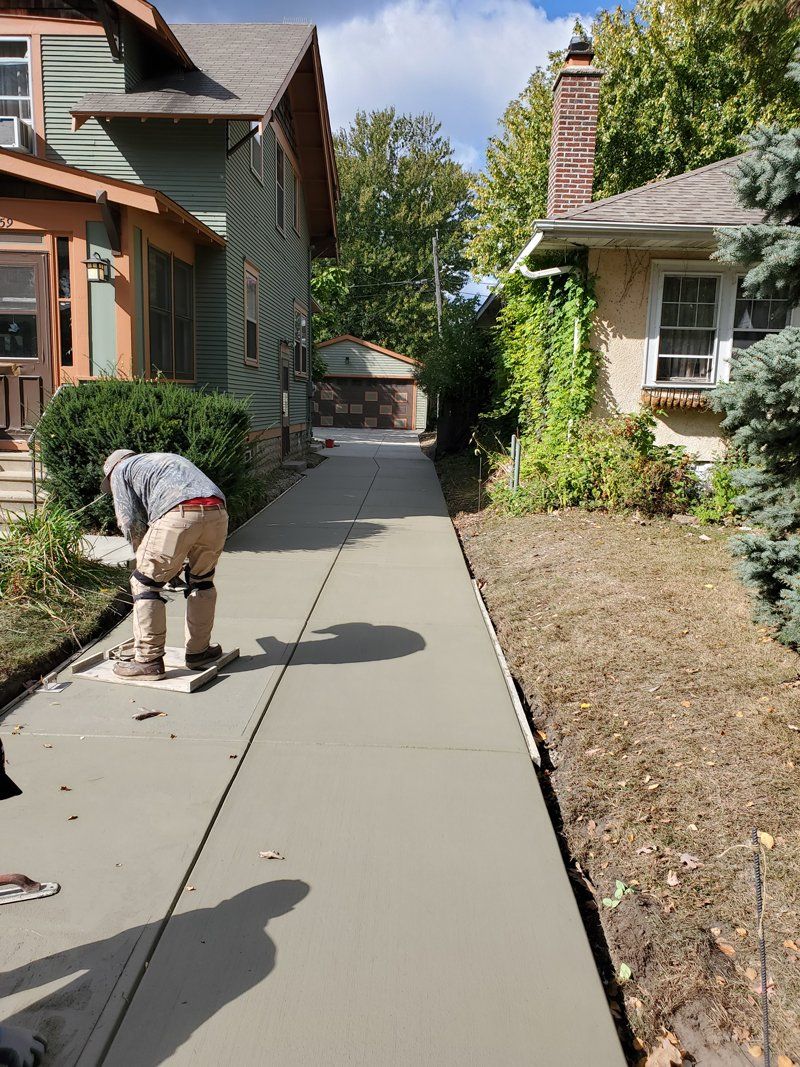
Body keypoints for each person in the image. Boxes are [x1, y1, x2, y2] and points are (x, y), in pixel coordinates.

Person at [101, 450, 229, 681]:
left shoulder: (120, 470)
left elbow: (129, 521)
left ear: (110, 472)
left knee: (144, 584)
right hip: (217, 511)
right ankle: (199, 652)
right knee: (202, 581)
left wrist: (143, 558)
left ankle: (148, 661)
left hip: (178, 512)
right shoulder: (162, 460)